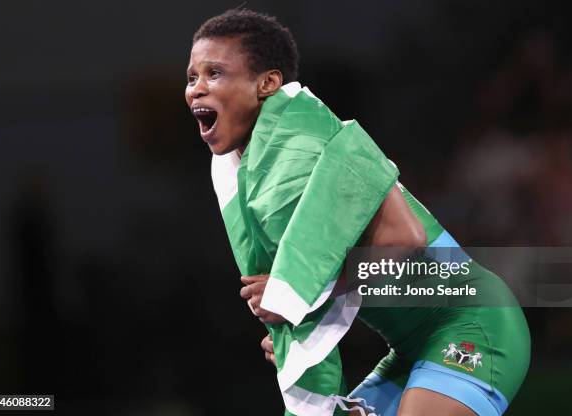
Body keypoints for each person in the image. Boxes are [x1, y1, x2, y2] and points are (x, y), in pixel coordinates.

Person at [186, 9, 530, 416]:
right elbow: (316, 287)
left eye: (214, 74)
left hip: (473, 321)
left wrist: (300, 299)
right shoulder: (251, 182)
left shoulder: (310, 144)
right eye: (192, 77)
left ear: (268, 83)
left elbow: (406, 238)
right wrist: (299, 340)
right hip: (408, 350)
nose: (197, 89)